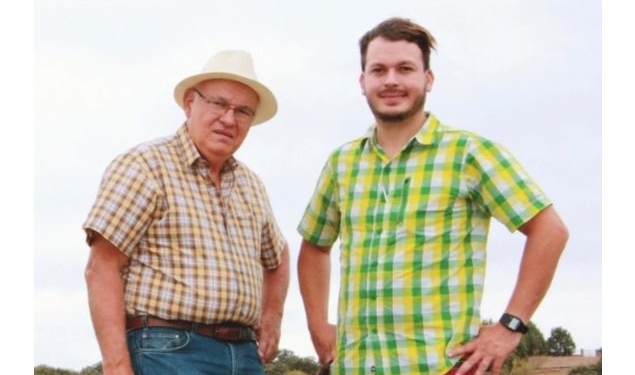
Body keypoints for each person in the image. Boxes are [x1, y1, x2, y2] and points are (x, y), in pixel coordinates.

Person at [297, 17, 568, 375]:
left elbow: (550, 230)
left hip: (441, 366)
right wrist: (319, 325)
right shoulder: (342, 163)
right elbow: (315, 245)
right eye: (378, 70)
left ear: (428, 78)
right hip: (357, 366)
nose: (391, 80)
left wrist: (510, 326)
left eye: (405, 69)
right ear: (363, 82)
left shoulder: (470, 153)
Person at [83, 49, 290, 375]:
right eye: (219, 103)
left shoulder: (252, 186)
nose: (228, 119)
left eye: (243, 111)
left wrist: (272, 317)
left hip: (244, 355)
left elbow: (277, 257)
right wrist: (117, 366)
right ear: (190, 103)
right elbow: (101, 267)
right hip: (168, 349)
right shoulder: (145, 165)